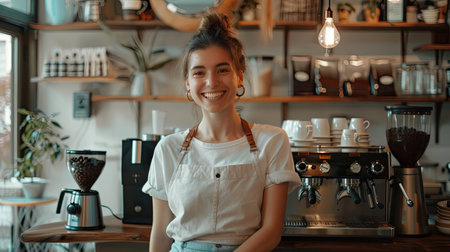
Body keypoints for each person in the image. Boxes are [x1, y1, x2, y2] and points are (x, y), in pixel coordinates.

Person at [142, 12, 301, 252]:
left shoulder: (272, 140)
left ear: (239, 76)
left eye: (222, 70)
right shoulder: (168, 148)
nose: (211, 82)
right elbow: (161, 234)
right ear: (187, 83)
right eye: (199, 72)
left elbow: (270, 232)